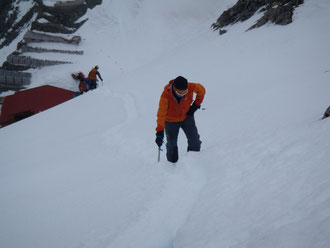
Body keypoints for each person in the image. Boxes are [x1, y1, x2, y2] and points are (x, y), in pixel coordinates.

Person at [155, 76, 206, 163]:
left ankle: (193, 162)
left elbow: (201, 90)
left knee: (195, 140)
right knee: (171, 144)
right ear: (174, 89)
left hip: (186, 116)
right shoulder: (166, 95)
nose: (182, 94)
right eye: (180, 93)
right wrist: (159, 132)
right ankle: (172, 166)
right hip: (170, 121)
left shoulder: (191, 87)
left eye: (184, 92)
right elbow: (161, 114)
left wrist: (196, 105)